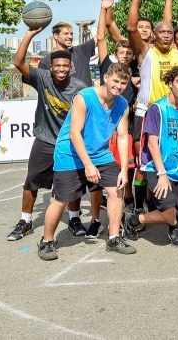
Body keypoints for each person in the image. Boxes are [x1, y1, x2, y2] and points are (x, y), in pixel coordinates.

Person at [37, 63, 134, 260]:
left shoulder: (123, 104)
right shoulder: (85, 97)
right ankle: (46, 241)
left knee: (117, 190)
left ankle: (114, 237)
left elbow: (123, 137)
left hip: (100, 152)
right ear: (106, 77)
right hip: (70, 153)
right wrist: (88, 164)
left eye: (123, 83)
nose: (119, 85)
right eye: (116, 80)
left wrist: (124, 169)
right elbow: (75, 133)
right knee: (62, 200)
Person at [7, 28, 88, 242]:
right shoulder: (42, 78)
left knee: (73, 182)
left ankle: (74, 219)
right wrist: (29, 35)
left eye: (65, 66)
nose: (61, 70)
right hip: (44, 140)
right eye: (57, 66)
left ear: (71, 68)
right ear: (50, 68)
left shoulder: (80, 88)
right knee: (31, 181)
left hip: (70, 142)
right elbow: (17, 62)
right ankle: (25, 220)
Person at [127, 0, 178, 208]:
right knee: (143, 164)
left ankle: (163, 205)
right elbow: (131, 26)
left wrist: (168, 0)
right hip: (146, 112)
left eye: (169, 33)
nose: (166, 34)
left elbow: (168, 23)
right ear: (154, 35)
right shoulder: (146, 52)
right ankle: (137, 207)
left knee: (167, 161)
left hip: (170, 114)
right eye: (161, 32)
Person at [123, 66, 178, 247]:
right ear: (170, 83)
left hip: (177, 166)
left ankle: (169, 225)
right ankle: (135, 221)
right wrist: (162, 174)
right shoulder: (158, 108)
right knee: (169, 212)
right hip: (155, 167)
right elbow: (151, 143)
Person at [93, 0, 140, 236]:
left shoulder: (134, 71)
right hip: (103, 126)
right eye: (121, 52)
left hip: (126, 124)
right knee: (103, 169)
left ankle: (127, 204)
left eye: (129, 53)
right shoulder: (107, 66)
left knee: (129, 168)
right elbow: (101, 37)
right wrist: (104, 6)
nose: (125, 55)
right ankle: (97, 211)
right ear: (115, 54)